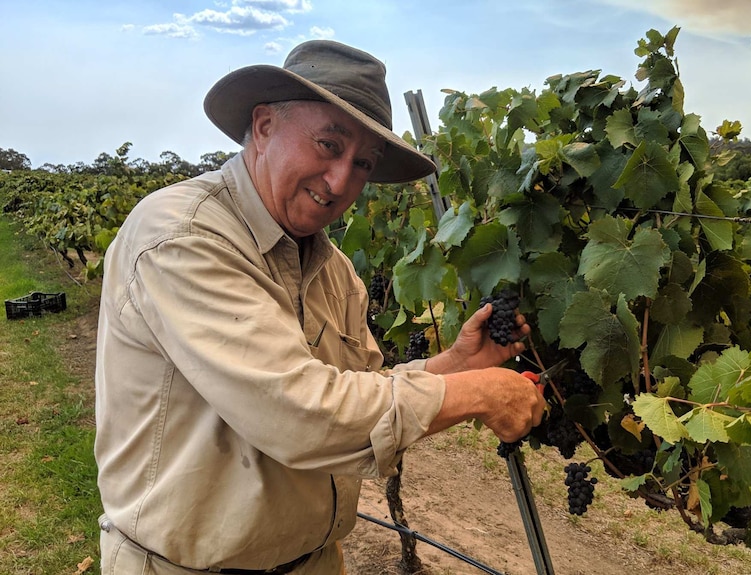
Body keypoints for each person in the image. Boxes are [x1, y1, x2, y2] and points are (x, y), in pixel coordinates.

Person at [94, 39, 545, 574]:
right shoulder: (183, 236)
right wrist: (475, 394)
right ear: (263, 126)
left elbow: (361, 391)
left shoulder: (333, 270)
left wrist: (456, 367)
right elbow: (297, 413)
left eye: (362, 163)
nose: (341, 181)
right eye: (329, 145)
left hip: (316, 561)